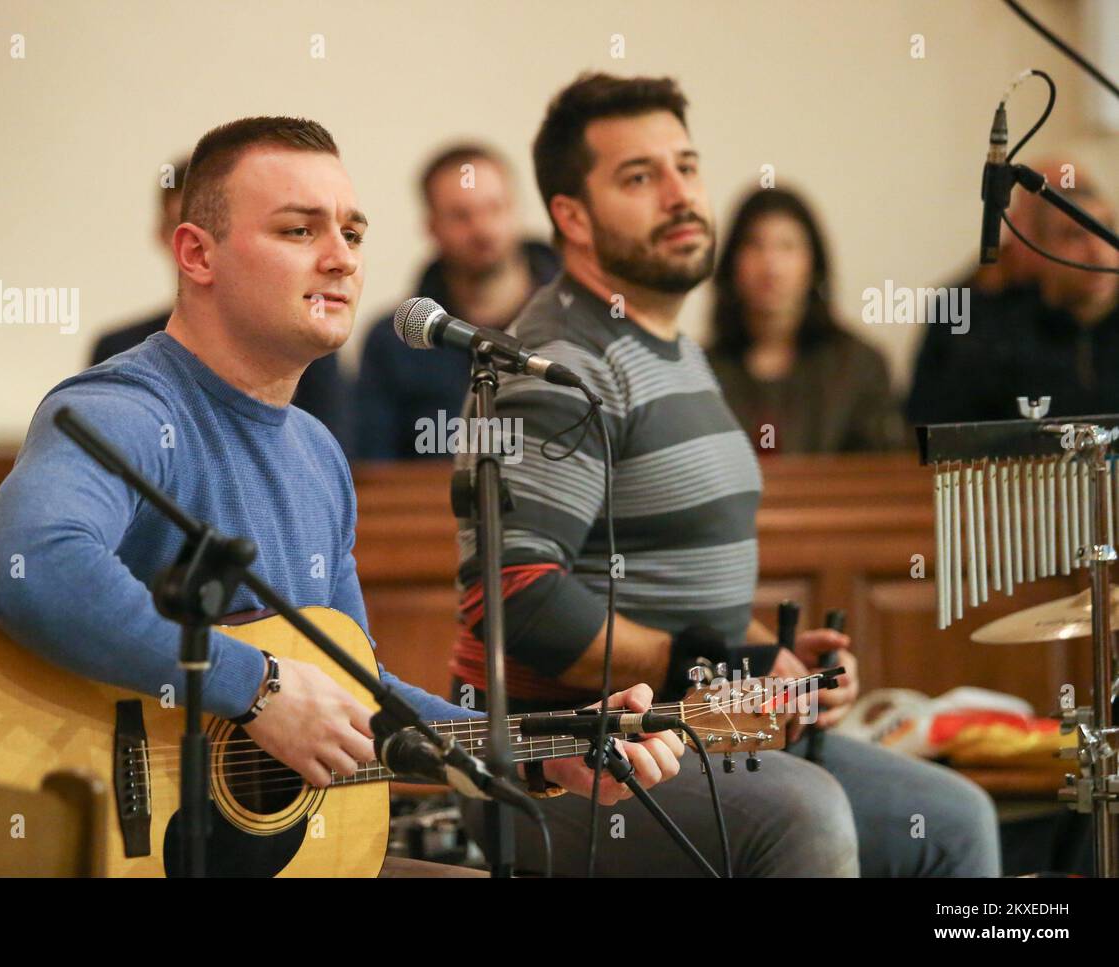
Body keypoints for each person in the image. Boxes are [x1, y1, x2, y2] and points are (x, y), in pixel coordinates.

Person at [0, 116, 681, 874]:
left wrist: (546, 752)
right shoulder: (128, 409)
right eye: (299, 230)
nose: (341, 259)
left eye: (353, 232)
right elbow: (29, 562)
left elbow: (356, 696)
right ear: (197, 253)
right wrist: (258, 688)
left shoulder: (317, 453)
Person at [452, 72, 1000, 876]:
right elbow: (515, 597)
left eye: (687, 165)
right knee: (804, 816)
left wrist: (776, 663)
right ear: (571, 214)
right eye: (640, 177)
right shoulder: (559, 361)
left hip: (701, 729)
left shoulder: (673, 349)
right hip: (566, 757)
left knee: (954, 819)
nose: (680, 194)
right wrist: (713, 664)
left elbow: (671, 599)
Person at [88, 156, 351, 450]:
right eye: (184, 227)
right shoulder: (118, 348)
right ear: (166, 237)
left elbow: (331, 454)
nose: (201, 246)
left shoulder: (302, 344)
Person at [354, 144, 558, 459]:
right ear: (431, 227)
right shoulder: (396, 339)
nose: (482, 228)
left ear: (517, 210)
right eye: (462, 215)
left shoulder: (577, 319)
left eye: (495, 208)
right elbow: (374, 475)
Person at [705, 187, 905, 453]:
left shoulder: (859, 366)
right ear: (732, 264)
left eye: (787, 246)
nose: (770, 265)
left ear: (813, 266)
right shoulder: (700, 372)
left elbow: (880, 474)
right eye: (755, 245)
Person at [908, 176, 1119, 424]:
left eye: (1105, 229)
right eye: (1074, 235)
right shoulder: (996, 340)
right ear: (1039, 248)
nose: (1098, 250)